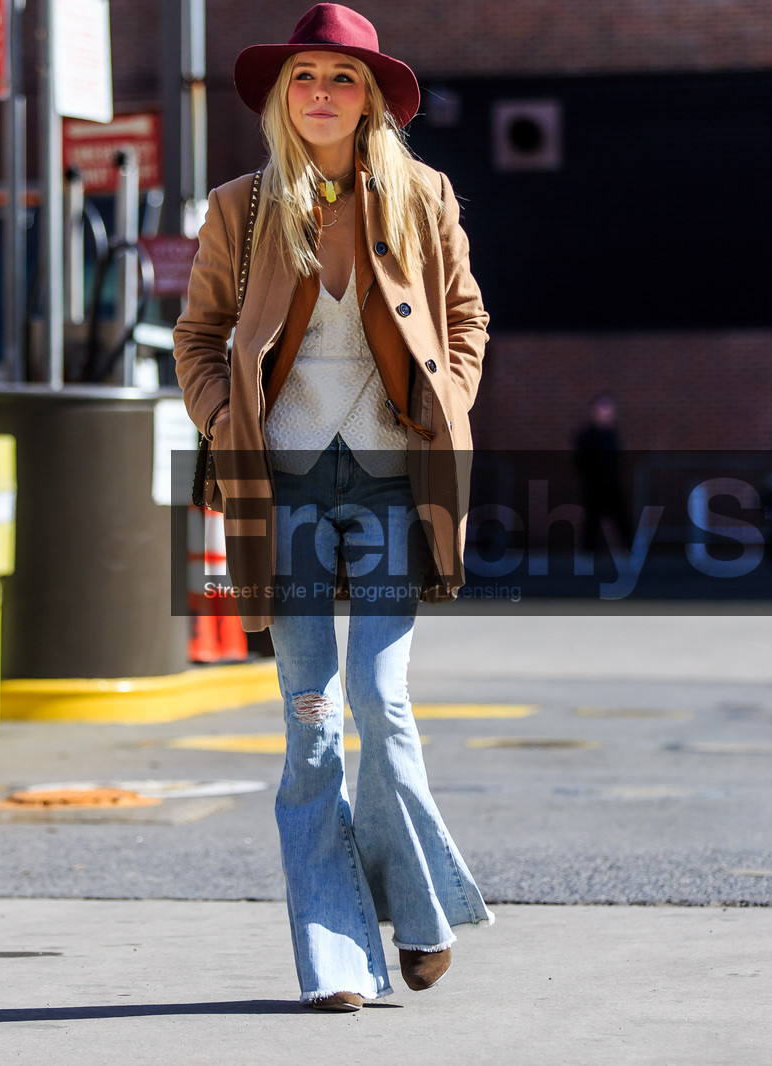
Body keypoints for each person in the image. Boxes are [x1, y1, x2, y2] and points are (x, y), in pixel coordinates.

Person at [172, 3, 494, 1012]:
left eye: (341, 78)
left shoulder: (422, 195)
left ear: (370, 99)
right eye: (304, 76)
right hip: (289, 488)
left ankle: (423, 908)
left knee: (380, 705)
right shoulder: (243, 206)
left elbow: (465, 316)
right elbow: (198, 336)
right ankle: (337, 958)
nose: (320, 93)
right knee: (311, 722)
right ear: (281, 95)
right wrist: (228, 419)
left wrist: (449, 395)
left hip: (398, 482)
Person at [573, 392, 634, 558]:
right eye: (603, 409)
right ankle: (587, 552)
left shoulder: (612, 435)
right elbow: (581, 462)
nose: (607, 413)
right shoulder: (586, 436)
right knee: (592, 521)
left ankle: (629, 548)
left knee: (620, 519)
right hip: (595, 486)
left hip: (612, 485)